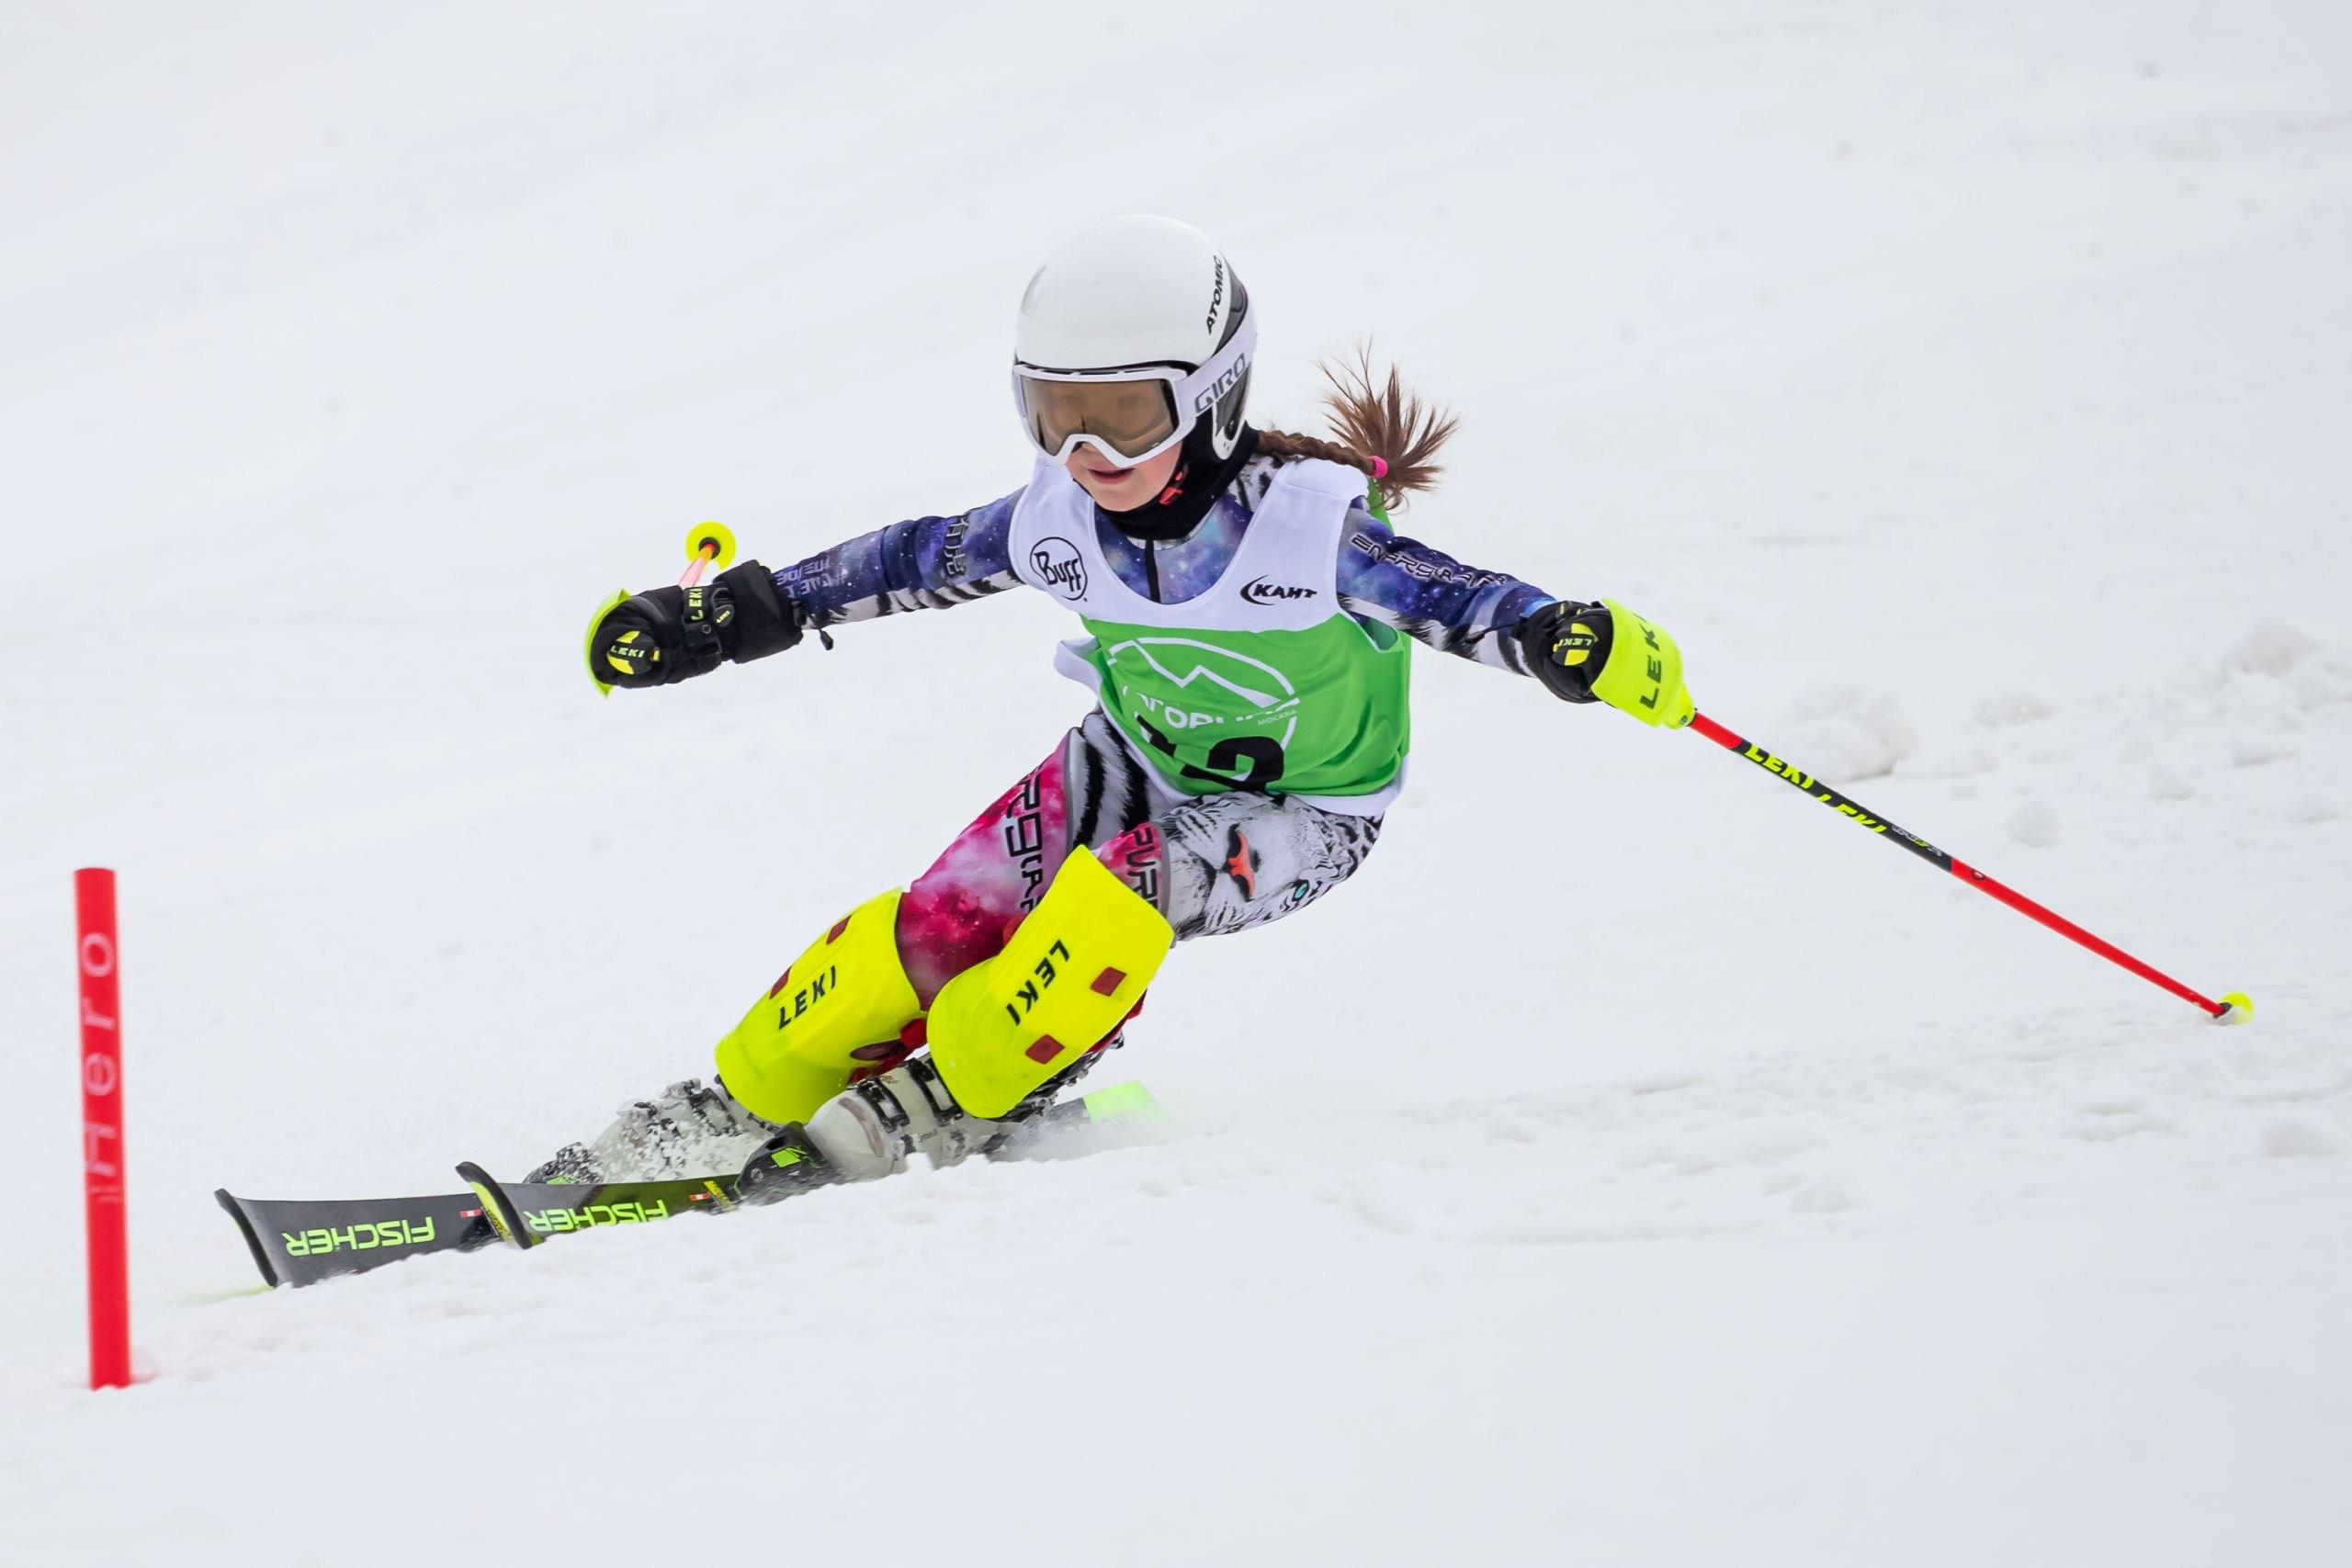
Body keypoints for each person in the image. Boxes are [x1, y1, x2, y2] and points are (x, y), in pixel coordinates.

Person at [540, 214, 1694, 1199]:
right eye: (1053, 412)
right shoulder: (1058, 517)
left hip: (1305, 810)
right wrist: (738, 613)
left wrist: (1558, 634)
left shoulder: (1302, 529)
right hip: (1134, 758)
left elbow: (1456, 598)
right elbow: (905, 559)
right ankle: (743, 1093)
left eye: (1126, 418)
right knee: (942, 921)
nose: (1084, 450)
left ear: (1211, 401)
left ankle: (969, 1087)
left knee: (1122, 895)